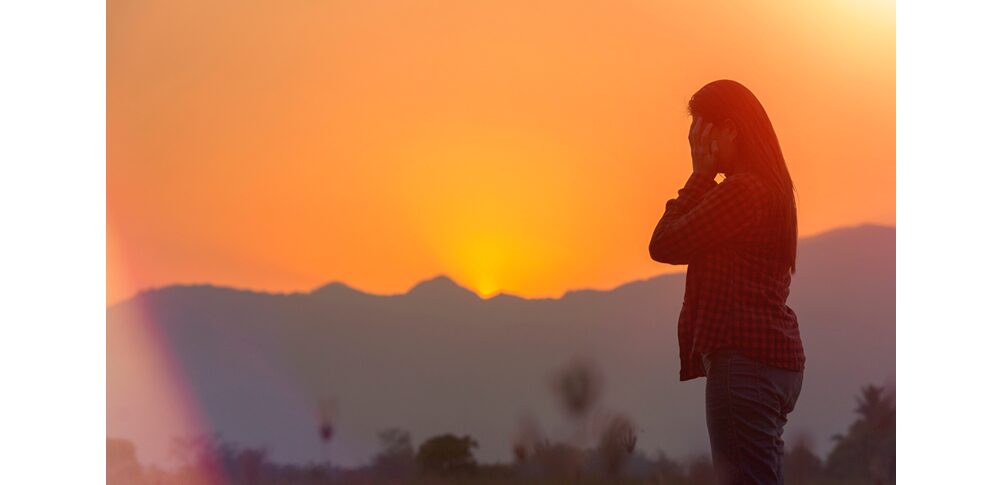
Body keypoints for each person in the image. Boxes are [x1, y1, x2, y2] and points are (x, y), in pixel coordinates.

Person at [648, 79, 806, 484]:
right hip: (771, 363)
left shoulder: (745, 191)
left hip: (745, 364)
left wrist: (699, 176)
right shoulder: (770, 189)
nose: (697, 144)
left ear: (730, 129)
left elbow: (665, 243)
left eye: (702, 132)